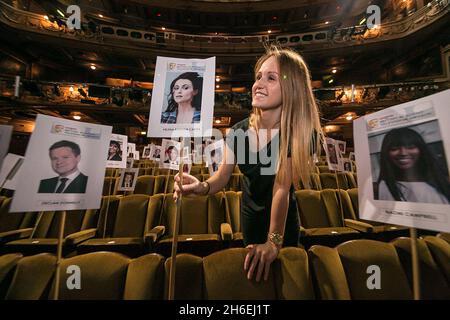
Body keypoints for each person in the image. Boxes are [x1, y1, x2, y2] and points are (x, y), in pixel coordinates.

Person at [173, 46, 323, 282]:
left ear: (293, 88)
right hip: (250, 218)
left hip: (282, 223)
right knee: (254, 281)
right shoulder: (237, 131)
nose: (258, 84)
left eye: (271, 78)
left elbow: (281, 189)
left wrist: (274, 242)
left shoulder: (302, 134)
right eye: (258, 77)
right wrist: (200, 187)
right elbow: (222, 177)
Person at [377, 127, 450, 204]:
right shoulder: (383, 186)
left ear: (421, 149)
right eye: (394, 148)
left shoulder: (441, 182)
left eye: (411, 147)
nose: (403, 153)